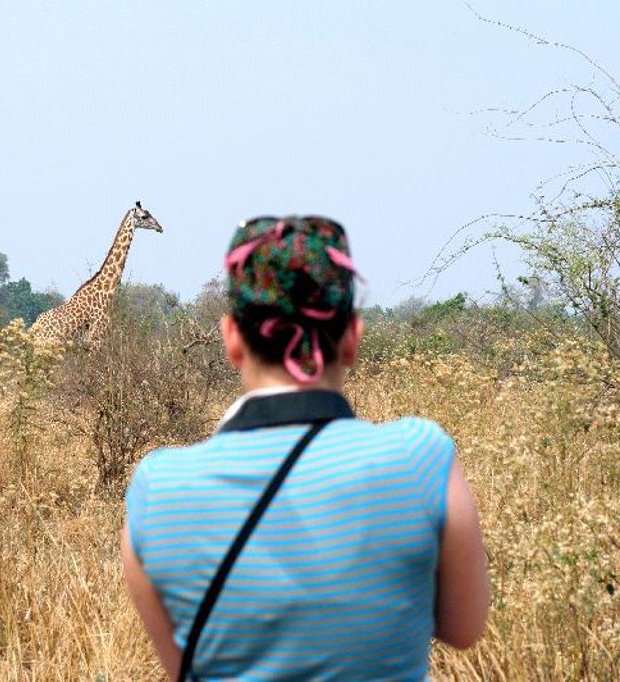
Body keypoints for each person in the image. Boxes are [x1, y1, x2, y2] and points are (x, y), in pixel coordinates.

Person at [121, 215, 488, 681]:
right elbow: (464, 627)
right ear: (353, 338)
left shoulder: (158, 488)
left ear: (232, 339)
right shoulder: (421, 456)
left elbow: (185, 671)